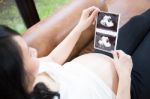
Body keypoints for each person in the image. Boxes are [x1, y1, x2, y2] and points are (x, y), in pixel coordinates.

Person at [0, 6, 133, 99]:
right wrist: (125, 76)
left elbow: (52, 59)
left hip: (111, 55)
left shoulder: (30, 76)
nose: (34, 51)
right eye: (29, 53)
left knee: (141, 20)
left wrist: (80, 27)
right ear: (16, 77)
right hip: (127, 86)